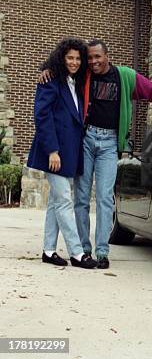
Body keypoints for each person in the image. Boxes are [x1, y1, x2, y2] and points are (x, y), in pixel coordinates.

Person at [41, 38, 152, 269]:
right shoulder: (84, 74)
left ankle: (102, 252)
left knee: (104, 198)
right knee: (81, 198)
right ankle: (84, 250)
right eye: (90, 58)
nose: (93, 61)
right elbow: (63, 65)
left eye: (97, 57)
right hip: (86, 139)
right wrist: (45, 70)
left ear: (107, 56)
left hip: (110, 143)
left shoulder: (124, 77)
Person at [28, 39, 97, 269]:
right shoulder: (50, 81)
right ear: (61, 58)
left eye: (78, 58)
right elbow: (42, 116)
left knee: (56, 202)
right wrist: (52, 151)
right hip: (55, 153)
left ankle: (48, 250)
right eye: (70, 58)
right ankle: (77, 253)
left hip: (70, 153)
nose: (74, 62)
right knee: (65, 200)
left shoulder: (75, 83)